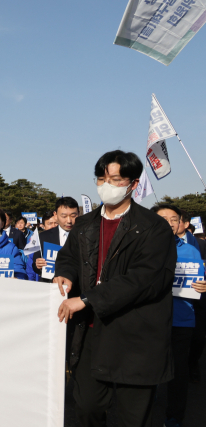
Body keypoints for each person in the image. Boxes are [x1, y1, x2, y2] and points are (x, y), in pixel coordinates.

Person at [55, 150, 176, 427]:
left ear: (133, 184)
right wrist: (64, 274)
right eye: (101, 178)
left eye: (115, 179)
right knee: (86, 407)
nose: (106, 185)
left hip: (134, 337)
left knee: (133, 417)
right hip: (91, 333)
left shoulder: (153, 228)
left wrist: (87, 298)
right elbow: (69, 257)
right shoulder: (85, 224)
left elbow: (144, 279)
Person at [150, 204, 206, 427]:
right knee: (149, 366)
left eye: (174, 219)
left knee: (178, 371)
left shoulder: (192, 251)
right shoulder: (138, 250)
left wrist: (202, 286)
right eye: (163, 218)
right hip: (149, 320)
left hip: (182, 319)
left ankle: (174, 417)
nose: (170, 222)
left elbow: (198, 283)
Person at [32, 197, 79, 282]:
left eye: (73, 216)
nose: (69, 221)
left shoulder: (85, 236)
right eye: (64, 216)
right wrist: (38, 265)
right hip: (50, 286)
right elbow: (35, 265)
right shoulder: (43, 237)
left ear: (78, 214)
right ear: (55, 215)